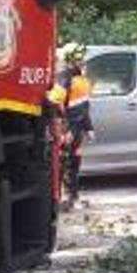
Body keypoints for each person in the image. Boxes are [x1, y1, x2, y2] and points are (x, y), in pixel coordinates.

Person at [48, 42, 93, 210]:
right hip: (68, 129)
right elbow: (53, 103)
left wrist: (89, 127)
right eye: (80, 60)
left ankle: (73, 197)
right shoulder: (64, 78)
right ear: (71, 61)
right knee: (64, 163)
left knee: (74, 163)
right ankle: (59, 200)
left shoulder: (82, 80)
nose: (84, 62)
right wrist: (64, 130)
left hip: (78, 129)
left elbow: (83, 106)